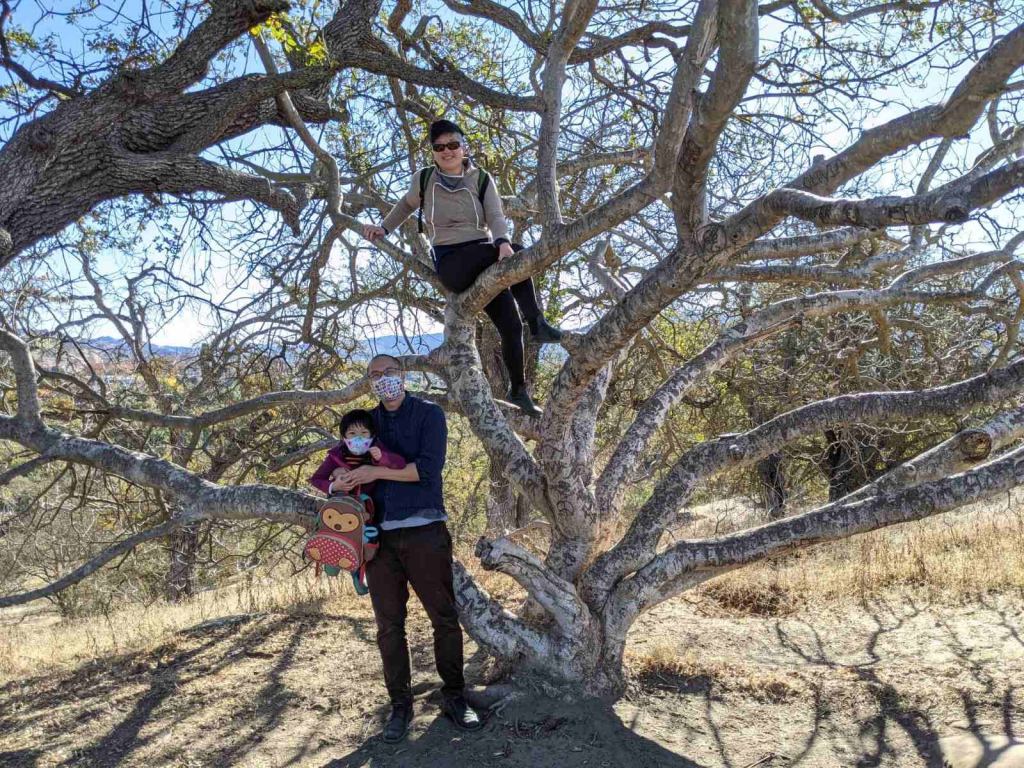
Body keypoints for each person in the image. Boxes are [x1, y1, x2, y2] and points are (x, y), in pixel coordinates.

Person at [363, 119, 563, 416]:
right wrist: (383, 228)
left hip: (483, 254)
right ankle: (537, 322)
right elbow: (405, 205)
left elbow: (495, 215)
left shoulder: (481, 179)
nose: (447, 151)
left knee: (510, 325)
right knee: (518, 254)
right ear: (433, 151)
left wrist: (502, 241)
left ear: (463, 146)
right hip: (451, 261)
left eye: (453, 145)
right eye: (440, 147)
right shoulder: (425, 179)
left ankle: (519, 389)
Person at [331, 354, 482, 742]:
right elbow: (339, 462)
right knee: (389, 627)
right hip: (378, 540)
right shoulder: (365, 423)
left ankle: (454, 697)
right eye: (375, 376)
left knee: (443, 618)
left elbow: (426, 470)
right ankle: (400, 708)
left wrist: (376, 471)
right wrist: (340, 479)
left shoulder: (429, 415)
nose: (384, 380)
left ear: (404, 375)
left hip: (425, 532)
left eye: (390, 373)